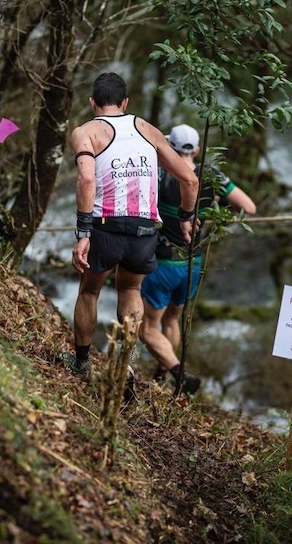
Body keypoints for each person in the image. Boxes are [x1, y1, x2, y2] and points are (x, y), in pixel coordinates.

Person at [63, 72, 200, 383]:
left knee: (89, 291)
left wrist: (83, 233)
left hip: (105, 226)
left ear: (91, 103)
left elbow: (86, 179)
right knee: (130, 288)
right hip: (144, 230)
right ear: (125, 103)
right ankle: (124, 366)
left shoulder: (85, 131)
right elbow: (190, 180)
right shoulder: (148, 129)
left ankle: (81, 364)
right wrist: (186, 217)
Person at [138, 124, 256, 394]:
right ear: (198, 150)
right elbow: (248, 207)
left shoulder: (160, 173)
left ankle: (176, 371)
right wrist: (215, 203)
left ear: (170, 147)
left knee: (148, 329)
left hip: (162, 263)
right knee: (172, 320)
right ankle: (161, 375)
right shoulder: (211, 175)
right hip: (192, 264)